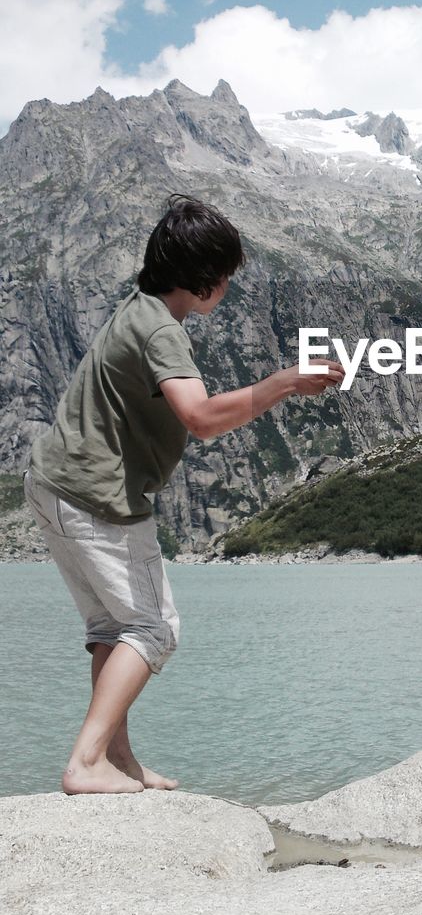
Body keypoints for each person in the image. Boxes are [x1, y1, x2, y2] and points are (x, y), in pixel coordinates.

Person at [24, 193, 345, 796]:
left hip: (51, 485)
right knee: (154, 629)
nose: (227, 286)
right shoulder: (163, 332)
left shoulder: (137, 310)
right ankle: (86, 761)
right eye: (224, 276)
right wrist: (282, 384)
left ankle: (116, 759)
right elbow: (199, 416)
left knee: (111, 627)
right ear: (204, 281)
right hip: (97, 498)